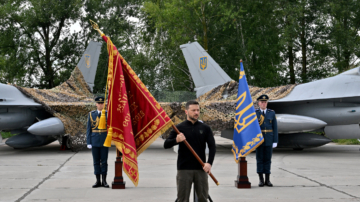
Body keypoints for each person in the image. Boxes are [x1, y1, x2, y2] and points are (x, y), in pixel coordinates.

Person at [164, 100, 216, 202]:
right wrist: (176, 140)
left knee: (202, 198)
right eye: (193, 110)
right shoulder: (179, 128)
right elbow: (166, 144)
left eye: (198, 110)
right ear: (186, 111)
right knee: (183, 199)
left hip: (201, 169)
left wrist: (209, 163)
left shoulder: (205, 128)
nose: (196, 113)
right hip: (184, 169)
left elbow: (212, 147)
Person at [86, 96, 109, 188]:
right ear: (96, 104)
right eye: (99, 103)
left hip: (104, 140)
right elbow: (88, 129)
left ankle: (104, 181)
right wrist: (88, 142)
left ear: (104, 104)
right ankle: (97, 181)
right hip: (94, 140)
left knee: (104, 161)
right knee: (96, 162)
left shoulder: (107, 114)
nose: (100, 105)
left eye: (102, 103)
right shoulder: (91, 114)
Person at [255, 94, 278, 187]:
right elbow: (252, 128)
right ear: (259, 103)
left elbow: (275, 128)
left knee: (268, 159)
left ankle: (267, 180)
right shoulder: (255, 113)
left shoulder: (271, 113)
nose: (264, 104)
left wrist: (275, 141)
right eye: (262, 102)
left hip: (269, 138)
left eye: (265, 102)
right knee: (259, 159)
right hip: (258, 140)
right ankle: (261, 180)